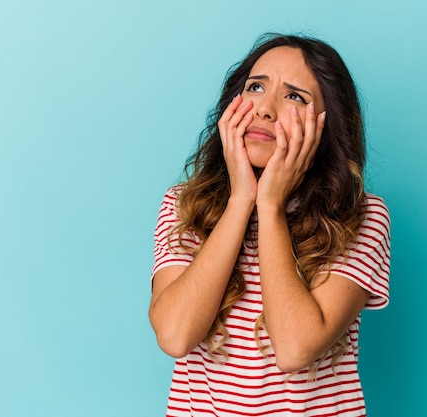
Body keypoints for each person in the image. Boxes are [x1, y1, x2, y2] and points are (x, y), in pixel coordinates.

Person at [149, 33, 391, 417]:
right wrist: (241, 201)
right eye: (256, 87)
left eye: (295, 96)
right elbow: (176, 335)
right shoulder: (184, 205)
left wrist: (272, 206)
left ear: (327, 124)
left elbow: (295, 348)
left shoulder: (361, 215)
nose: (265, 108)